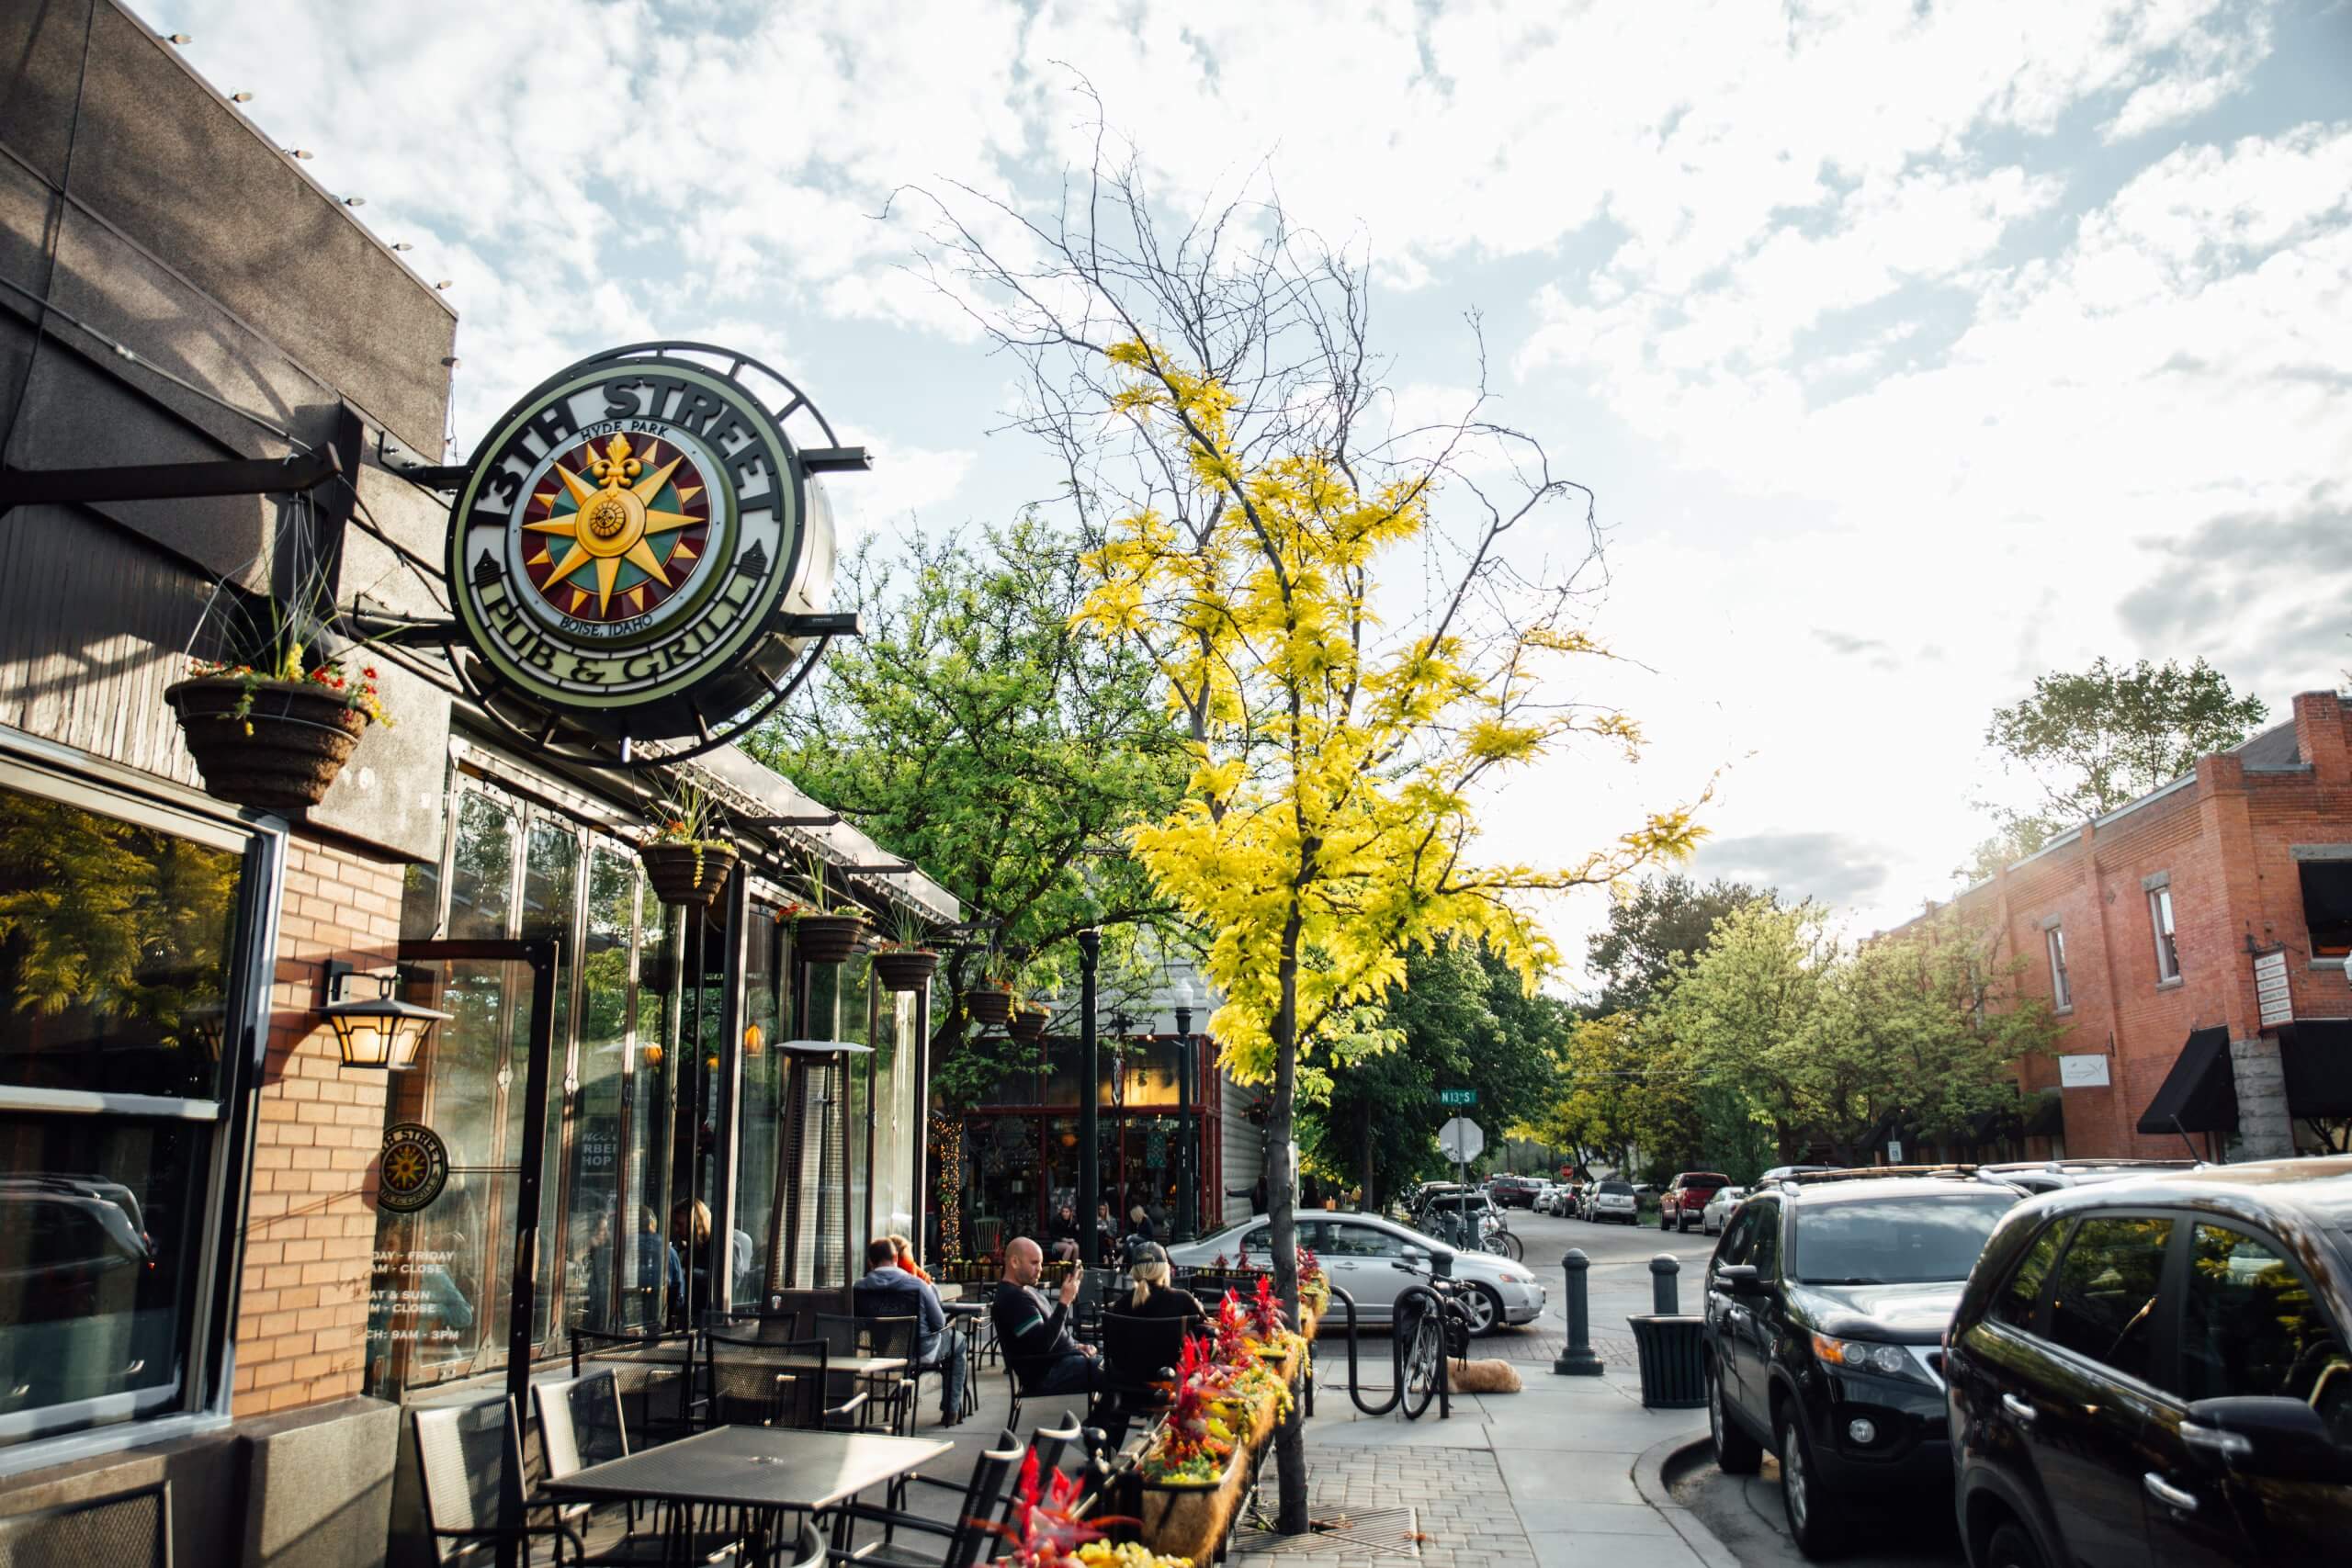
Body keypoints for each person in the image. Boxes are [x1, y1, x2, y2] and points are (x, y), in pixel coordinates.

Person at [854, 1236, 967, 1427]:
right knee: (960, 1340)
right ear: (896, 1257)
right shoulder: (918, 1285)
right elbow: (939, 1323)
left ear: (870, 1262)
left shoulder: (860, 1287)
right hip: (922, 1351)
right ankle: (951, 1410)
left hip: (885, 1353)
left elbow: (859, 1323)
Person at [989, 1236, 1101, 1399]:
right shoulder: (1013, 1298)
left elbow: (1052, 1335)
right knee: (1117, 1372)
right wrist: (1064, 1302)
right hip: (1048, 1373)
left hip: (1061, 1361)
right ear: (1014, 1262)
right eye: (1034, 1263)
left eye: (1041, 1263)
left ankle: (1098, 1422)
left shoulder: (1024, 1290)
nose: (1040, 1269)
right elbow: (1041, 1345)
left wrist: (1077, 1346)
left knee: (1121, 1369)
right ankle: (1098, 1423)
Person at [1112, 1242, 1201, 1320]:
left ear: (1135, 1271)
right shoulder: (1183, 1299)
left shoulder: (1121, 1304)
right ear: (1164, 1269)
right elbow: (1203, 1325)